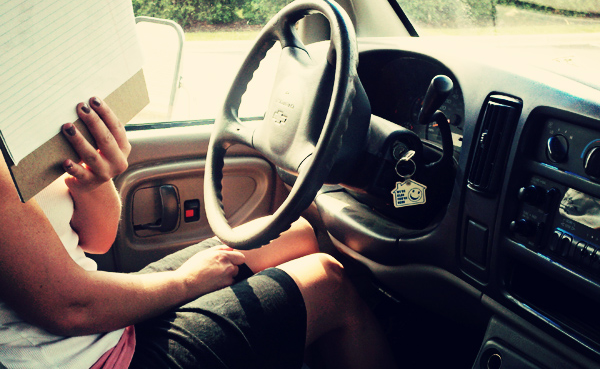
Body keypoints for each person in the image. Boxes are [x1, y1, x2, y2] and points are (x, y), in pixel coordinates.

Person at [0, 97, 397, 369]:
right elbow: (70, 308)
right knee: (329, 282)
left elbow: (95, 242)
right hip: (87, 357)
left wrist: (95, 182)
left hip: (97, 320)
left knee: (294, 233)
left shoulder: (17, 112)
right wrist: (187, 282)